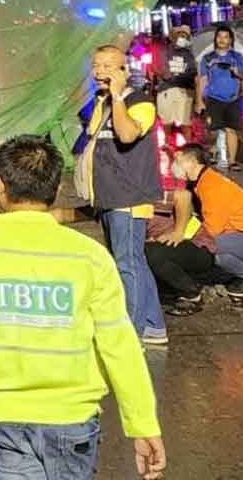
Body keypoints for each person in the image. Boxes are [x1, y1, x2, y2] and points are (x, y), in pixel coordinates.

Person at [0, 135, 167, 480]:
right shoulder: (89, 255)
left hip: (4, 415)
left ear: (1, 186)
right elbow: (118, 344)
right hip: (72, 417)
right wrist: (142, 423)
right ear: (57, 188)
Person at [79, 45, 166, 345]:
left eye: (108, 66)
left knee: (127, 265)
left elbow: (127, 135)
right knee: (134, 262)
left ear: (123, 71)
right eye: (96, 65)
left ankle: (131, 334)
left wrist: (117, 96)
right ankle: (154, 326)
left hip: (129, 199)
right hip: (109, 195)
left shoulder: (140, 102)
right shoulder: (100, 102)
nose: (100, 71)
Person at [170, 144, 243, 296]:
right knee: (220, 257)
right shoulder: (205, 181)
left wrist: (180, 237)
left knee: (208, 244)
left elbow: (211, 230)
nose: (174, 164)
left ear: (192, 161)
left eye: (178, 159)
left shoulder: (211, 186)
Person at [143, 211, 229, 313]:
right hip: (169, 246)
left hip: (196, 246)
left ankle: (191, 293)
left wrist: (178, 232)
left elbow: (183, 197)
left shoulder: (157, 198)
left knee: (150, 252)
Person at [197, 24, 243, 170]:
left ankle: (232, 161)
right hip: (213, 98)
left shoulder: (237, 57)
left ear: (230, 40)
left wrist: (237, 73)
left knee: (231, 129)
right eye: (219, 36)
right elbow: (202, 79)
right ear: (215, 39)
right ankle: (212, 151)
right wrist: (199, 101)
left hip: (233, 98)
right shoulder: (208, 58)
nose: (222, 40)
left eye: (226, 37)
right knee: (212, 129)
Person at [156, 26, 197, 137]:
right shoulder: (165, 50)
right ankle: (167, 143)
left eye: (184, 34)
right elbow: (162, 70)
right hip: (167, 90)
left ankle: (189, 148)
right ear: (172, 36)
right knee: (167, 122)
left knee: (185, 122)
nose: (181, 36)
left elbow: (194, 71)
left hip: (186, 90)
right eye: (178, 34)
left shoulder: (191, 53)